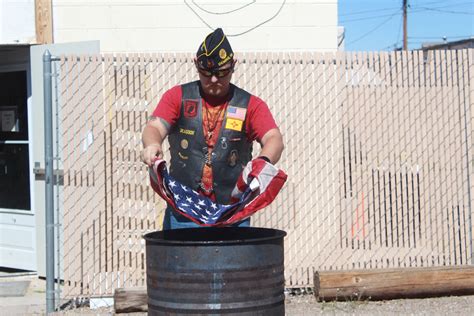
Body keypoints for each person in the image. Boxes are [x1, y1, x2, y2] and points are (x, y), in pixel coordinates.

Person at [141, 28, 284, 230]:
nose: (214, 80)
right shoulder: (177, 97)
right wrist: (152, 144)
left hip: (231, 212)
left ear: (234, 66)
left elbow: (273, 138)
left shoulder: (250, 104)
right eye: (206, 73)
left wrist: (263, 161)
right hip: (184, 209)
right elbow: (154, 126)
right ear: (195, 65)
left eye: (222, 72)